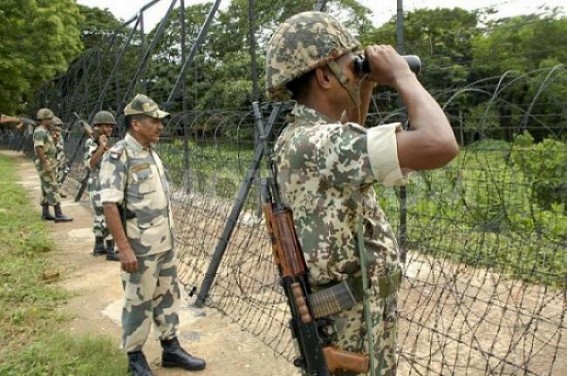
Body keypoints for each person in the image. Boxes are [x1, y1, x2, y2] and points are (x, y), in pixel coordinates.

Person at [265, 11, 459, 376]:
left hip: (351, 314)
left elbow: (351, 138)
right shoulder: (319, 142)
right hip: (350, 322)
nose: (356, 68)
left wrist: (364, 84)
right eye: (349, 63)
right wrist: (402, 75)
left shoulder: (305, 136)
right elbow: (440, 144)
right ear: (324, 75)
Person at [99, 94, 206, 376]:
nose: (160, 126)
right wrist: (123, 248)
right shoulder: (118, 155)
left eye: (161, 121)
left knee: (167, 296)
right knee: (138, 302)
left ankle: (170, 347)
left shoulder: (151, 153)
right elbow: (109, 204)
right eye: (154, 121)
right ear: (136, 124)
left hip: (164, 243)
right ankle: (134, 357)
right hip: (140, 247)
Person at [84, 110, 119, 261]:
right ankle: (110, 250)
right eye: (107, 126)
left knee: (99, 216)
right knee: (108, 215)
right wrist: (101, 147)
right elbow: (91, 164)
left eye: (111, 126)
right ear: (98, 127)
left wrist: (106, 148)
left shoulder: (100, 142)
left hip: (100, 184)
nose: (110, 129)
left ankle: (99, 247)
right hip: (98, 184)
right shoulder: (91, 143)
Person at [33, 108, 73, 223]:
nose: (51, 121)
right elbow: (39, 148)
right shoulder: (40, 131)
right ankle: (58, 214)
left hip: (49, 161)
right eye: (49, 119)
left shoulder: (46, 131)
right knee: (53, 187)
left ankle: (45, 213)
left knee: (46, 188)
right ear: (43, 119)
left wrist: (54, 140)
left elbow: (49, 147)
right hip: (45, 162)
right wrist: (45, 164)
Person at [51, 116, 68, 198]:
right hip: (52, 157)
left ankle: (58, 189)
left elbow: (61, 147)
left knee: (61, 173)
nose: (59, 128)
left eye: (60, 126)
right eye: (57, 126)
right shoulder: (49, 136)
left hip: (60, 156)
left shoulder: (60, 136)